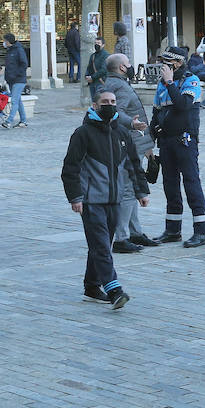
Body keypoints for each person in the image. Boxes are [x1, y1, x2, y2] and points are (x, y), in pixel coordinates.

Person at [62, 88, 151, 308]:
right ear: (95, 106)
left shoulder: (121, 133)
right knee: (101, 245)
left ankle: (92, 286)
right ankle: (114, 290)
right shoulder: (82, 133)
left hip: (115, 200)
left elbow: (133, 164)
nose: (109, 104)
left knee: (100, 244)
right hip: (91, 201)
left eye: (112, 101)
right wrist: (75, 197)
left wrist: (141, 191)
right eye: (104, 101)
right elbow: (70, 168)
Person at [150, 47, 205, 248]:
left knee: (191, 183)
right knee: (170, 185)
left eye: (165, 63)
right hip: (166, 141)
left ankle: (201, 231)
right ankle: (173, 230)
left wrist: (169, 82)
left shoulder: (190, 81)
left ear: (176, 64)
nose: (161, 67)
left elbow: (183, 104)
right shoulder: (162, 84)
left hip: (185, 140)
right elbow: (156, 112)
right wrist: (151, 139)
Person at [101, 53, 158, 253]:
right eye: (128, 63)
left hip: (133, 143)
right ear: (122, 68)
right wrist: (132, 123)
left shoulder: (115, 82)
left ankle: (134, 232)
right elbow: (118, 112)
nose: (131, 66)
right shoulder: (120, 86)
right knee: (126, 190)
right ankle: (121, 237)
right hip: (126, 145)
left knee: (132, 190)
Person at [2, 32, 30, 127]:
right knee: (18, 101)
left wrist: (17, 75)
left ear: (9, 41)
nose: (4, 43)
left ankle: (9, 121)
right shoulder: (9, 51)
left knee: (14, 100)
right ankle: (23, 120)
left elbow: (24, 64)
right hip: (11, 79)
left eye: (5, 41)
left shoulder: (18, 50)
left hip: (19, 80)